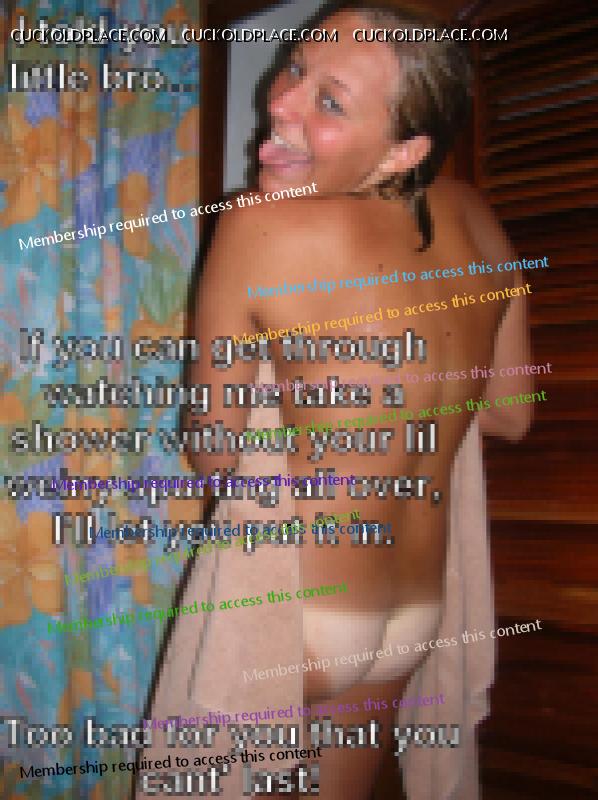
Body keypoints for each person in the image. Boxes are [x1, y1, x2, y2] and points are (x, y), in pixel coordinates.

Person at [137, 3, 530, 798]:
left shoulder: (259, 227)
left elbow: (214, 452)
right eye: (295, 67)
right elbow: (509, 415)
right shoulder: (478, 219)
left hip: (304, 614)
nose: (280, 102)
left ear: (403, 150)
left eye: (330, 100)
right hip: (413, 613)